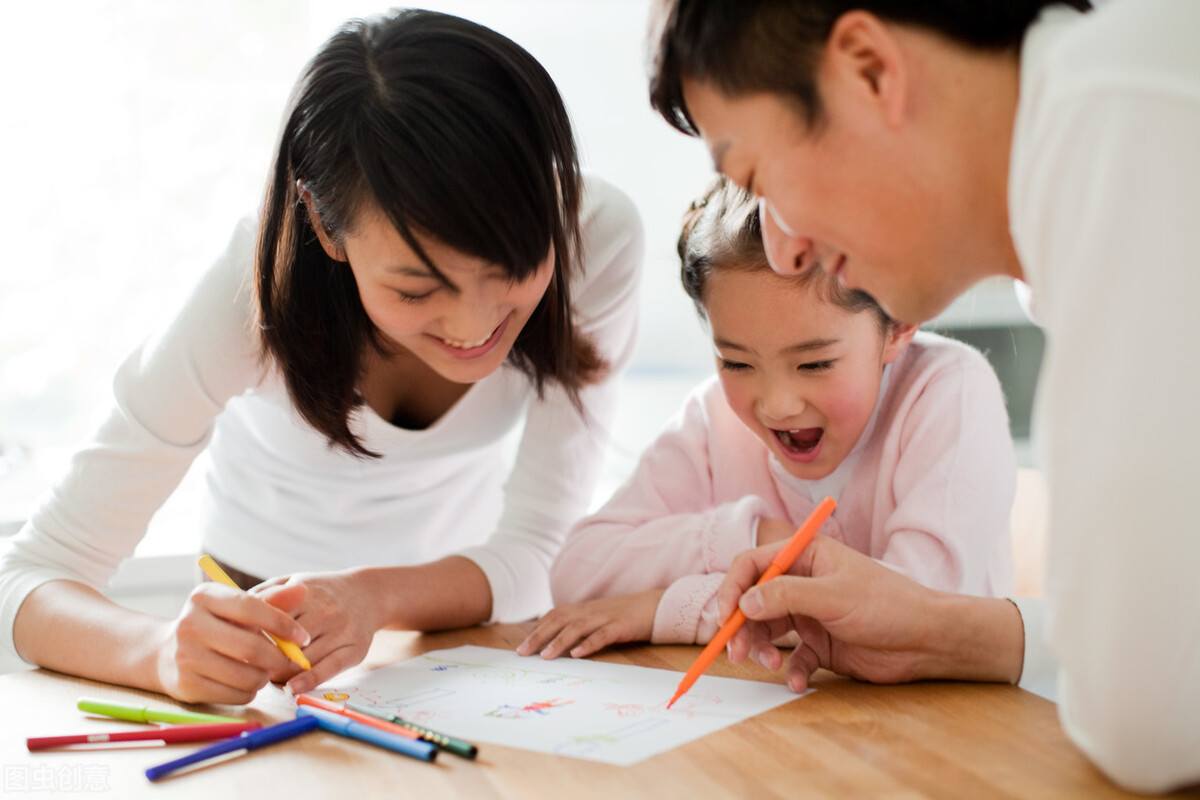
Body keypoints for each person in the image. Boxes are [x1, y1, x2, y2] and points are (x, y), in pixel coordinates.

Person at [0, 9, 641, 706]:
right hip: (268, 637)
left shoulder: (596, 235)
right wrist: (159, 652)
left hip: (469, 628)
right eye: (417, 287)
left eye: (509, 269)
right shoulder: (245, 300)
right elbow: (28, 580)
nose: (474, 323)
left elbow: (546, 544)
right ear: (324, 227)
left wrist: (374, 596)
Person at [645, 0, 1200, 793]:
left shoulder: (1126, 132)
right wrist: (945, 635)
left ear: (870, 69)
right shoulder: (1090, 154)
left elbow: (1147, 724)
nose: (783, 246)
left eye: (760, 180)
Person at [517, 177, 1015, 660]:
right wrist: (754, 539)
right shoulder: (715, 416)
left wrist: (666, 607)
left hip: (953, 731)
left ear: (900, 324)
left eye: (815, 363)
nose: (776, 404)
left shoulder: (949, 393)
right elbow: (578, 568)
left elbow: (904, 617)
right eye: (736, 362)